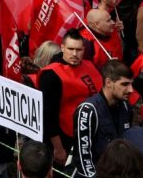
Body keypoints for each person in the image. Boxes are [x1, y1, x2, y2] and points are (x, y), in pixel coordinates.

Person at [38, 28, 102, 165]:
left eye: (79, 50)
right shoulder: (51, 75)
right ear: (62, 48)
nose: (74, 54)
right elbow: (48, 115)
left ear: (84, 49)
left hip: (90, 134)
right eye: (70, 49)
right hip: (66, 138)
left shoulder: (89, 66)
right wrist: (58, 148)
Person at [71, 59, 134, 178]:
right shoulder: (88, 110)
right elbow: (83, 157)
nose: (131, 90)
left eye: (131, 84)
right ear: (108, 82)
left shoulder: (126, 107)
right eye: (125, 84)